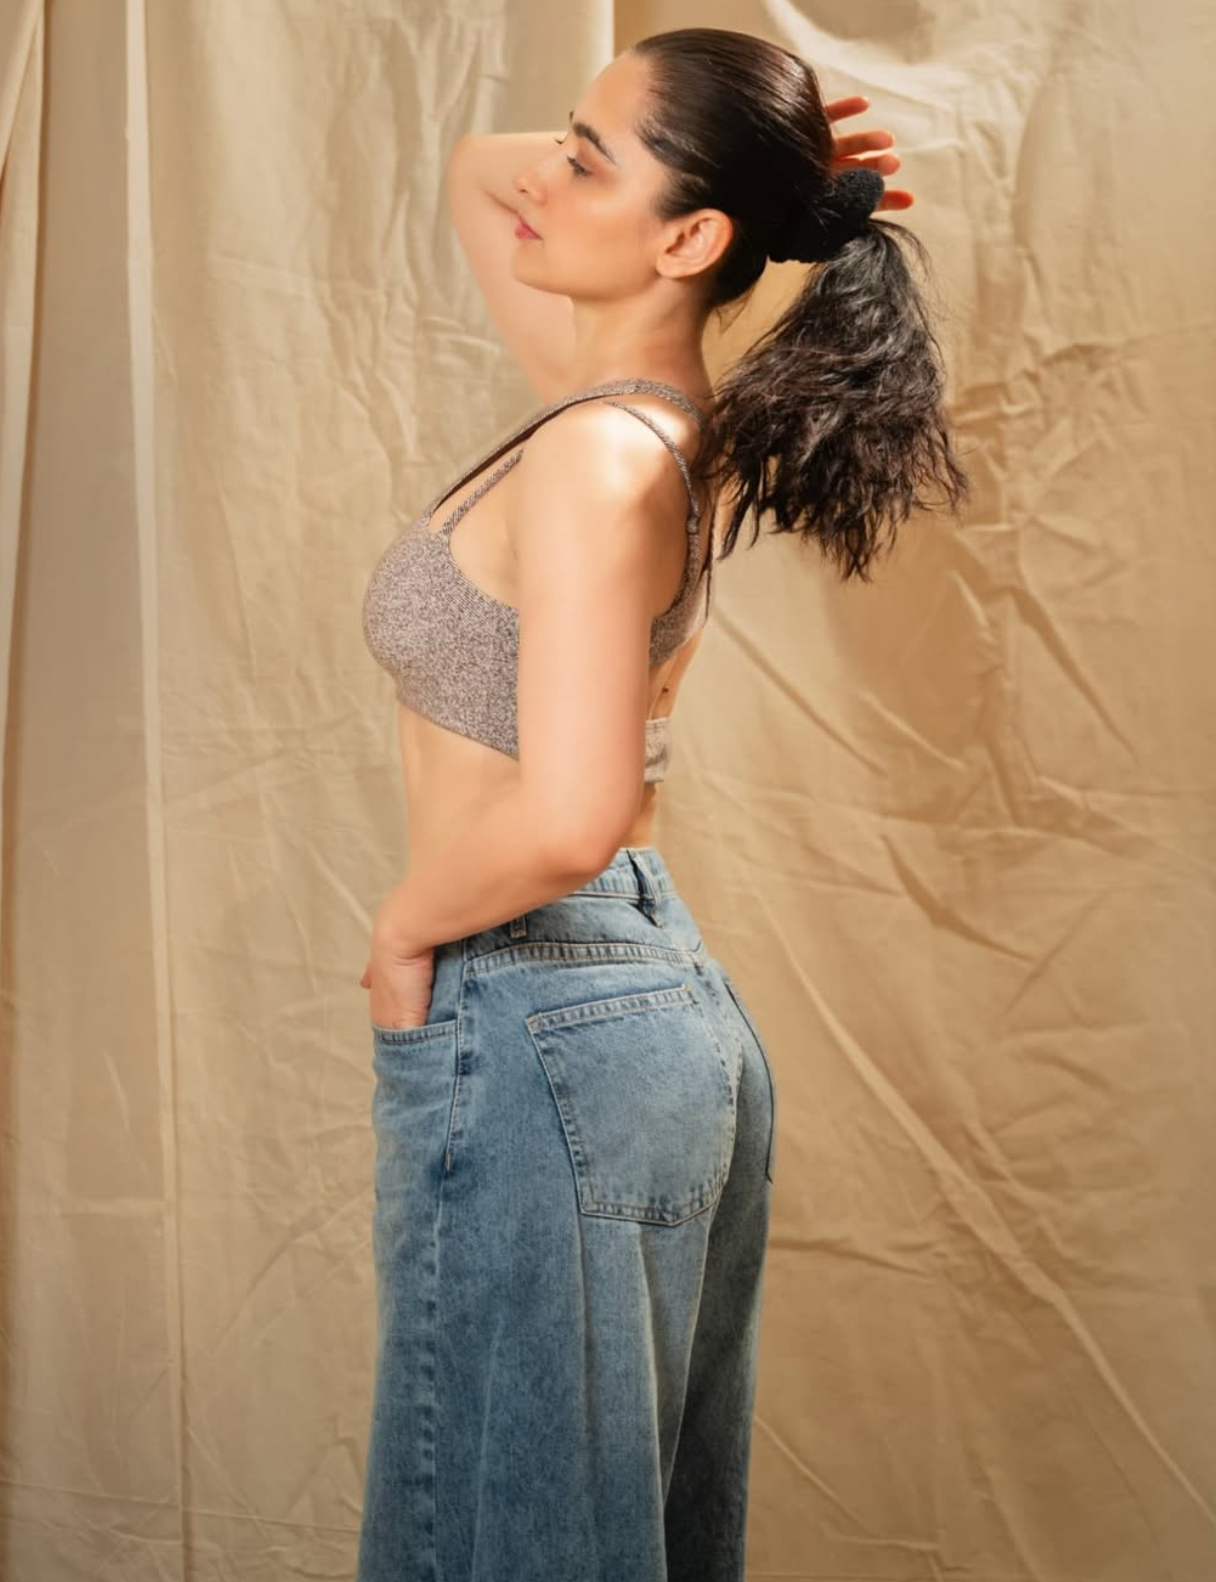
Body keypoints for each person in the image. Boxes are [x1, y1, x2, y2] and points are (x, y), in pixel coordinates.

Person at [355, 25, 970, 1582]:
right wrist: (770, 174)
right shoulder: (644, 413)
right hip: (636, 1014)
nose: (545, 180)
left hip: (543, 1002)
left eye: (588, 162)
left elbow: (575, 811)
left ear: (687, 241)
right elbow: (475, 172)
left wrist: (403, 932)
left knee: (507, 1548)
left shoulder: (596, 456)